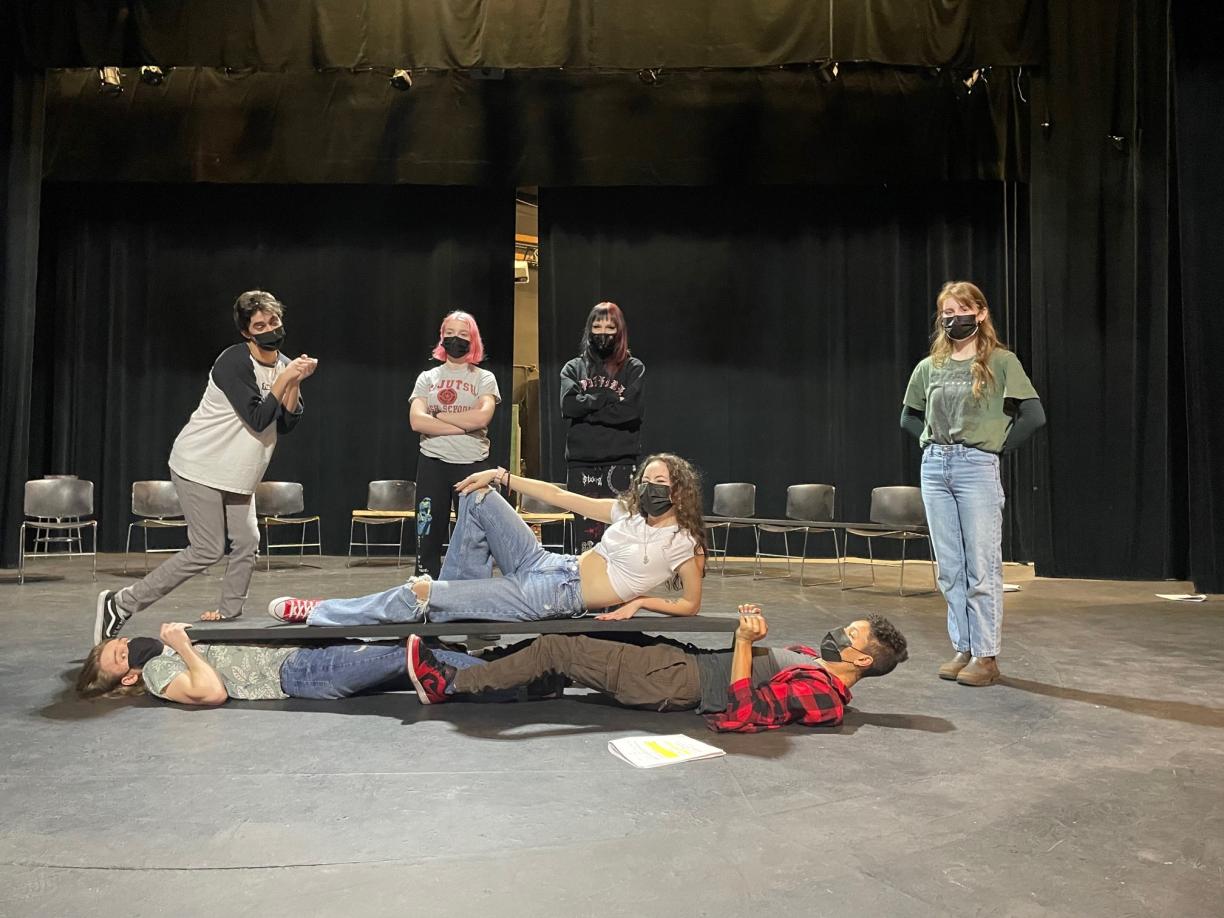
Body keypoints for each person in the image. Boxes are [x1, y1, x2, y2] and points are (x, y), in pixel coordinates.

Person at [93, 290, 317, 643]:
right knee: (207, 549)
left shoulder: (284, 363)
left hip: (238, 473)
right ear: (247, 332)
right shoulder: (233, 362)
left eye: (273, 321)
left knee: (246, 541)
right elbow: (259, 418)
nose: (270, 328)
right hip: (201, 464)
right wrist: (287, 378)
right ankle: (121, 603)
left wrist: (294, 380)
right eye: (260, 324)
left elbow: (286, 422)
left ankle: (228, 615)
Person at [268, 453, 706, 626]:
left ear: (678, 489)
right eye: (646, 478)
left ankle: (321, 612)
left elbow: (690, 603)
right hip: (552, 563)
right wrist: (500, 475)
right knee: (478, 497)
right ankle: (456, 606)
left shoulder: (685, 543)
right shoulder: (626, 512)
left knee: (421, 591)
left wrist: (640, 602)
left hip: (552, 595)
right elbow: (560, 495)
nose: (650, 487)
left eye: (660, 481)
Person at [405, 605, 909, 732]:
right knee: (595, 629)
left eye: (850, 634)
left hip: (676, 681)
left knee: (557, 646)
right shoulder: (816, 662)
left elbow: (741, 712)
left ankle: (449, 683)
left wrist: (741, 642)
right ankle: (526, 685)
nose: (838, 633)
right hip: (682, 662)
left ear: (861, 660)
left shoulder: (825, 699)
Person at [901, 281, 1045, 687]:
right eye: (946, 313)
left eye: (961, 311)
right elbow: (908, 417)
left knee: (981, 567)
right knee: (950, 568)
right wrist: (931, 442)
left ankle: (986, 655)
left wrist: (993, 448)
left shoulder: (1001, 361)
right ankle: (963, 647)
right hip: (935, 468)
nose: (952, 319)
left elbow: (1033, 415)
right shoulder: (930, 367)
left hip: (975, 467)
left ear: (980, 313)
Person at [75, 622, 479, 705]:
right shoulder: (156, 673)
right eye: (121, 653)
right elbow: (210, 691)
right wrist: (184, 645)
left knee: (406, 655)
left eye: (121, 639)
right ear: (127, 676)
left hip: (295, 650)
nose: (128, 643)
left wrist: (211, 630)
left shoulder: (170, 654)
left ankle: (490, 667)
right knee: (403, 655)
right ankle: (499, 674)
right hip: (296, 671)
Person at [409, 311, 501, 578]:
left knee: (473, 534)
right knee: (428, 531)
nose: (455, 339)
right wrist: (464, 424)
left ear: (473, 340)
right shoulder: (427, 378)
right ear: (441, 337)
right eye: (449, 334)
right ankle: (425, 588)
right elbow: (416, 421)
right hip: (432, 462)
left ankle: (470, 589)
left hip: (472, 464)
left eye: (462, 334)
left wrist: (437, 416)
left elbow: (483, 416)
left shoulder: (484, 378)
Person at [560, 302, 646, 551]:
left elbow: (631, 412)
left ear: (620, 331)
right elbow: (569, 407)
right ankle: (585, 589)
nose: (603, 333)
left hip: (620, 463)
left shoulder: (633, 368)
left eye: (610, 327)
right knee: (585, 538)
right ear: (589, 330)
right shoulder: (573, 368)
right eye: (597, 326)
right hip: (581, 463)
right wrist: (607, 399)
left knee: (620, 538)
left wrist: (586, 407)